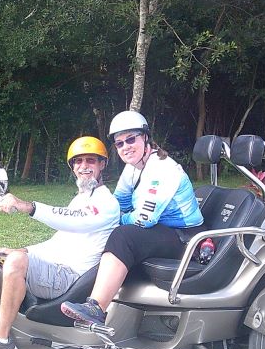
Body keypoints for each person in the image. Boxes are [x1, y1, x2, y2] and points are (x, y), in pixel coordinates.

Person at [0, 136, 120, 349]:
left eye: (91, 161)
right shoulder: (81, 199)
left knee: (15, 262)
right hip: (56, 268)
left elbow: (75, 222)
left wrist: (28, 206)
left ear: (102, 165)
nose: (84, 167)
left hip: (71, 277)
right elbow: (60, 240)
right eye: (78, 162)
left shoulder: (106, 202)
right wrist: (21, 250)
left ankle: (1, 340)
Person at [61, 111, 203, 325]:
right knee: (111, 228)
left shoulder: (163, 169)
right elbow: (118, 203)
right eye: (119, 144)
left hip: (185, 238)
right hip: (161, 230)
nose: (125, 147)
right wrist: (106, 214)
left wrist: (117, 218)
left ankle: (96, 307)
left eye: (131, 139)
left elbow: (143, 219)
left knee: (124, 235)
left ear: (146, 138)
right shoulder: (133, 168)